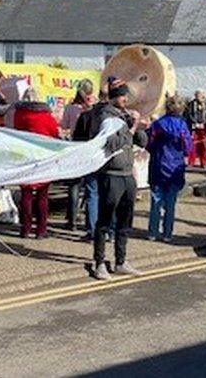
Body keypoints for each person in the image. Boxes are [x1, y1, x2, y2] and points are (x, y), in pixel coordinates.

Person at [91, 78, 149, 280]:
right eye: (123, 96)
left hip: (127, 174)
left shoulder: (124, 116)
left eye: (126, 96)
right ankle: (99, 263)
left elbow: (141, 142)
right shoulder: (105, 117)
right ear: (114, 97)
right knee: (104, 221)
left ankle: (121, 261)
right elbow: (111, 144)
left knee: (125, 221)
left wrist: (141, 128)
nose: (126, 99)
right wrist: (130, 128)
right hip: (111, 175)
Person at [13, 88, 60, 238]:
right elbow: (54, 133)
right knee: (42, 195)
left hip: (24, 155)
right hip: (42, 156)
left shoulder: (19, 114)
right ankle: (41, 229)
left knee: (26, 193)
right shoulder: (46, 116)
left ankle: (25, 228)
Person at [146, 96, 193, 242]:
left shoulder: (158, 124)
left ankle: (152, 232)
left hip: (158, 164)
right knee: (170, 203)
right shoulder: (182, 126)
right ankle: (167, 233)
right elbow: (188, 148)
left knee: (156, 201)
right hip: (174, 167)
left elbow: (149, 143)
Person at [71, 90, 105, 239]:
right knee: (106, 195)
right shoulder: (110, 117)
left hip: (90, 159)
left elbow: (77, 139)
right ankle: (107, 230)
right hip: (105, 159)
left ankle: (92, 230)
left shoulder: (85, 116)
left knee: (92, 194)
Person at [63, 81, 96, 231]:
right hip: (89, 147)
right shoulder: (92, 110)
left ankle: (72, 219)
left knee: (74, 185)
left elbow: (64, 126)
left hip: (74, 146)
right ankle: (90, 221)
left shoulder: (70, 108)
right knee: (90, 186)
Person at [183, 90, 206, 167]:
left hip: (203, 127)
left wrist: (204, 123)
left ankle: (203, 162)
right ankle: (191, 162)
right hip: (194, 126)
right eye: (198, 95)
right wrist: (195, 122)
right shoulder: (192, 104)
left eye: (201, 95)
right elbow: (189, 114)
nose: (200, 97)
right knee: (193, 144)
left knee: (203, 145)